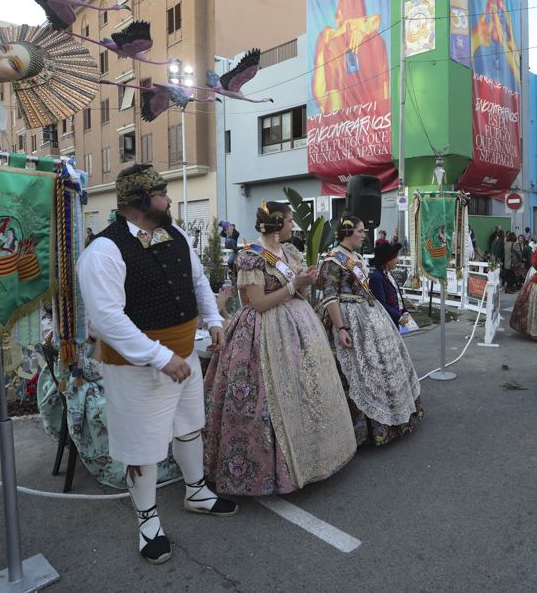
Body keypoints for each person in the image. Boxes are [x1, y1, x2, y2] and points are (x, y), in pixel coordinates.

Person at [77, 165, 238, 564]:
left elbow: (198, 281)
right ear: (140, 201)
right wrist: (161, 357)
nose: (168, 199)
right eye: (161, 193)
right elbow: (108, 319)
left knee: (189, 426)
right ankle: (148, 521)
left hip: (182, 354)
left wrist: (213, 321)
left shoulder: (176, 233)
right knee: (143, 445)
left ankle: (196, 491)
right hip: (136, 367)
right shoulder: (103, 251)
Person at [204, 202, 356, 498]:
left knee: (305, 390)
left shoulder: (289, 252)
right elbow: (257, 303)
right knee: (269, 396)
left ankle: (316, 456)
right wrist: (294, 285)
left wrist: (305, 283)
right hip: (262, 332)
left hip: (297, 325)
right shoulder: (250, 256)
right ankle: (276, 469)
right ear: (276, 224)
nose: (292, 226)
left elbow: (297, 290)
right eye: (288, 221)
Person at [319, 216, 423, 445]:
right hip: (346, 319)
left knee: (378, 365)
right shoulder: (332, 260)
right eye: (360, 231)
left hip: (367, 315)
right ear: (348, 232)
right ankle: (361, 428)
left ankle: (389, 419)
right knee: (355, 372)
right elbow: (329, 296)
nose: (364, 235)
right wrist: (341, 328)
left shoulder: (356, 257)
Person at [368, 241, 410, 327]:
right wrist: (398, 317)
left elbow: (397, 297)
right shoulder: (376, 278)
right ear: (388, 261)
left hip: (395, 321)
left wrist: (405, 312)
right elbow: (381, 304)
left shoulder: (388, 274)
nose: (397, 260)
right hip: (386, 323)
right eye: (395, 257)